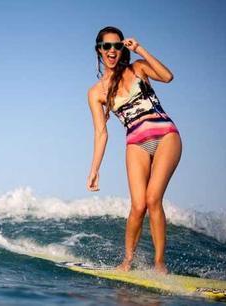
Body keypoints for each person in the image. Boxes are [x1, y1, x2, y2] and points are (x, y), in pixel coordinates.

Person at [86, 26, 182, 274]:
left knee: (153, 199)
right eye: (107, 46)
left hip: (165, 136)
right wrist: (94, 169)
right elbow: (101, 133)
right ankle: (127, 262)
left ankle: (160, 264)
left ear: (122, 49)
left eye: (117, 46)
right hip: (136, 142)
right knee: (138, 206)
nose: (112, 50)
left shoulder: (137, 67)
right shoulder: (96, 93)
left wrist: (139, 48)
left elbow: (168, 76)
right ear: (99, 50)